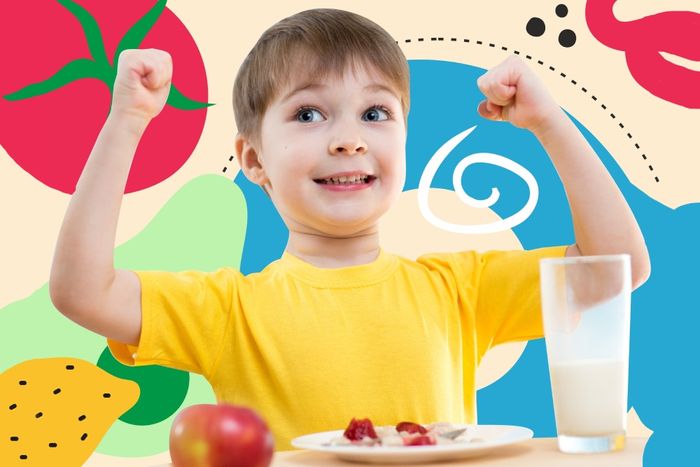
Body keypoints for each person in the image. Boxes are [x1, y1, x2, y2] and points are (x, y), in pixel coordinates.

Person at [49, 8, 650, 450]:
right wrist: (126, 120)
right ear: (253, 160)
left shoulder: (458, 289)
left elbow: (618, 267)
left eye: (376, 112)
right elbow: (82, 290)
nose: (348, 138)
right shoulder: (228, 309)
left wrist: (550, 122)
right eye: (309, 113)